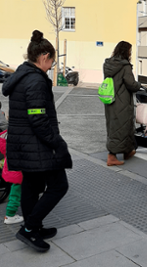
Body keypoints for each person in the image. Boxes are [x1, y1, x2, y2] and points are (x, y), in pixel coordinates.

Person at [2, 30, 71, 252]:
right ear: (43, 57)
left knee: (31, 187)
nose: (51, 65)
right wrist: (57, 143)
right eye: (51, 60)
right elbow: (38, 119)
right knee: (59, 185)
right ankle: (29, 229)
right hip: (37, 146)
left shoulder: (23, 74)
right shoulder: (36, 80)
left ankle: (35, 227)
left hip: (23, 144)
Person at [103, 41, 141, 166]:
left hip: (111, 100)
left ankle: (128, 150)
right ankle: (112, 156)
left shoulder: (109, 64)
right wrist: (139, 85)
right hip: (122, 102)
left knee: (116, 126)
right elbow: (131, 84)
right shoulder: (125, 66)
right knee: (122, 127)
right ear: (126, 52)